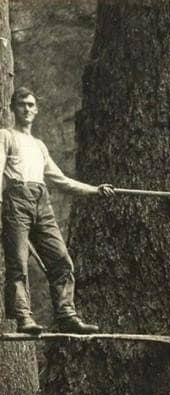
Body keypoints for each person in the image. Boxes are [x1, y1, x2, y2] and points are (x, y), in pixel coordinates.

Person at [0, 86, 115, 335]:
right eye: (22, 104)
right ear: (12, 108)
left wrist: (95, 190)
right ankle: (24, 318)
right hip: (15, 200)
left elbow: (61, 180)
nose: (27, 109)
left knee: (61, 259)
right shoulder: (5, 136)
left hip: (42, 201)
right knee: (18, 263)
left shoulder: (39, 146)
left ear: (37, 110)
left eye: (31, 105)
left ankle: (66, 315)